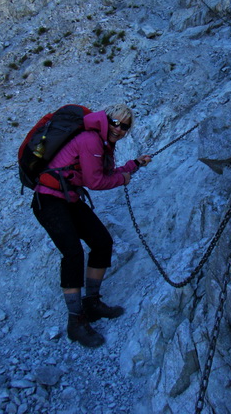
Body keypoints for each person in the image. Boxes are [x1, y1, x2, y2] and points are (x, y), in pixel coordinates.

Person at [31, 104, 152, 348]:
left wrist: (134, 165)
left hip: (68, 198)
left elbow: (103, 172)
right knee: (73, 253)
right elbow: (95, 181)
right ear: (106, 120)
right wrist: (122, 179)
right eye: (115, 123)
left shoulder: (103, 143)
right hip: (48, 199)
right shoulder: (91, 140)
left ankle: (92, 303)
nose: (119, 129)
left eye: (125, 126)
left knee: (102, 242)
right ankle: (76, 322)